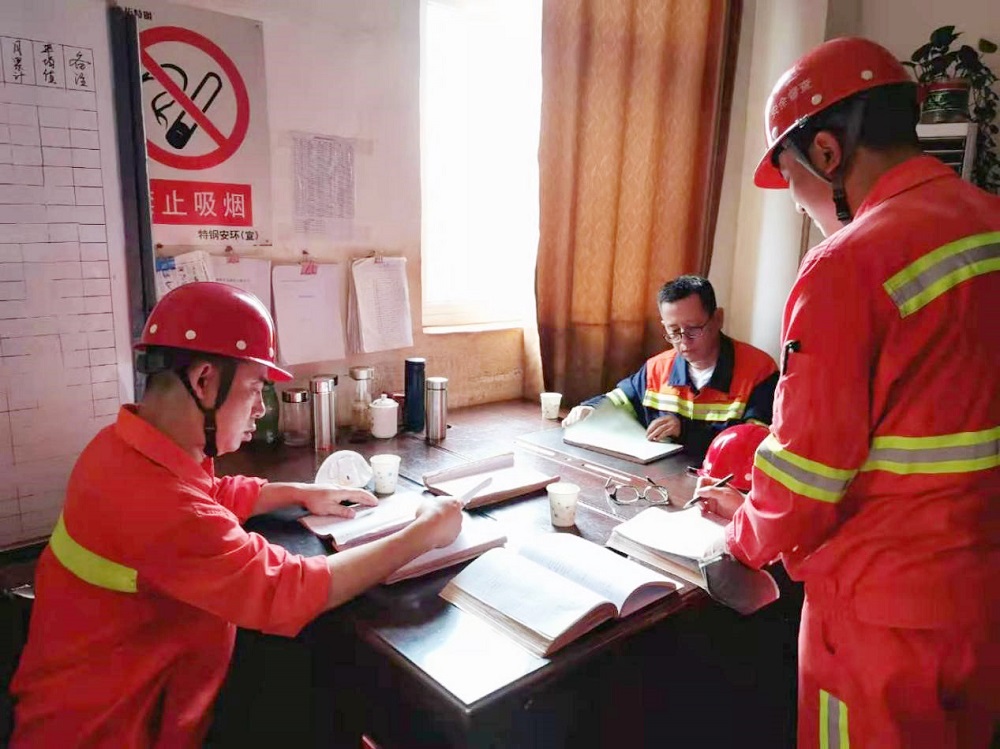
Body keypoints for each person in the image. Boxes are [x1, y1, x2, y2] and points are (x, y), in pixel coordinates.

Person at [698, 38, 999, 748]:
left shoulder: (846, 265)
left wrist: (741, 534)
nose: (800, 205)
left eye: (792, 180)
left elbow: (807, 470)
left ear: (828, 153)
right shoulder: (989, 221)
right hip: (980, 599)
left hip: (878, 618)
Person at [9, 282, 464, 747]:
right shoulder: (158, 505)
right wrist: (424, 532)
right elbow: (288, 591)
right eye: (254, 389)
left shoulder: (122, 448)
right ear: (204, 381)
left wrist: (299, 492)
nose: (261, 409)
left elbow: (207, 495)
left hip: (124, 705)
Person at [563, 275, 778, 463]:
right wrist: (590, 409)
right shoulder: (657, 369)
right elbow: (618, 400)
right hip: (661, 479)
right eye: (674, 331)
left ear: (717, 319)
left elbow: (753, 444)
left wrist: (685, 430)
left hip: (724, 482)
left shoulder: (759, 370)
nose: (683, 341)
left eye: (693, 329)